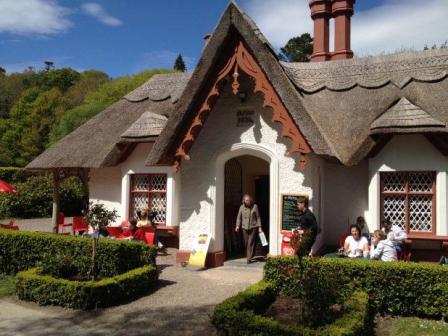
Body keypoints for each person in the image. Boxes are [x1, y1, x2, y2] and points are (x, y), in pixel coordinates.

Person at [235, 194, 263, 264]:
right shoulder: (241, 207)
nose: (248, 201)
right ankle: (251, 254)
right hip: (244, 227)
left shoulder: (255, 206)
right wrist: (237, 226)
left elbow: (258, 217)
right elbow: (239, 217)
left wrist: (260, 227)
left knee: (250, 242)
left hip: (253, 227)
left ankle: (248, 258)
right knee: (247, 242)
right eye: (246, 200)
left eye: (249, 200)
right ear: (244, 201)